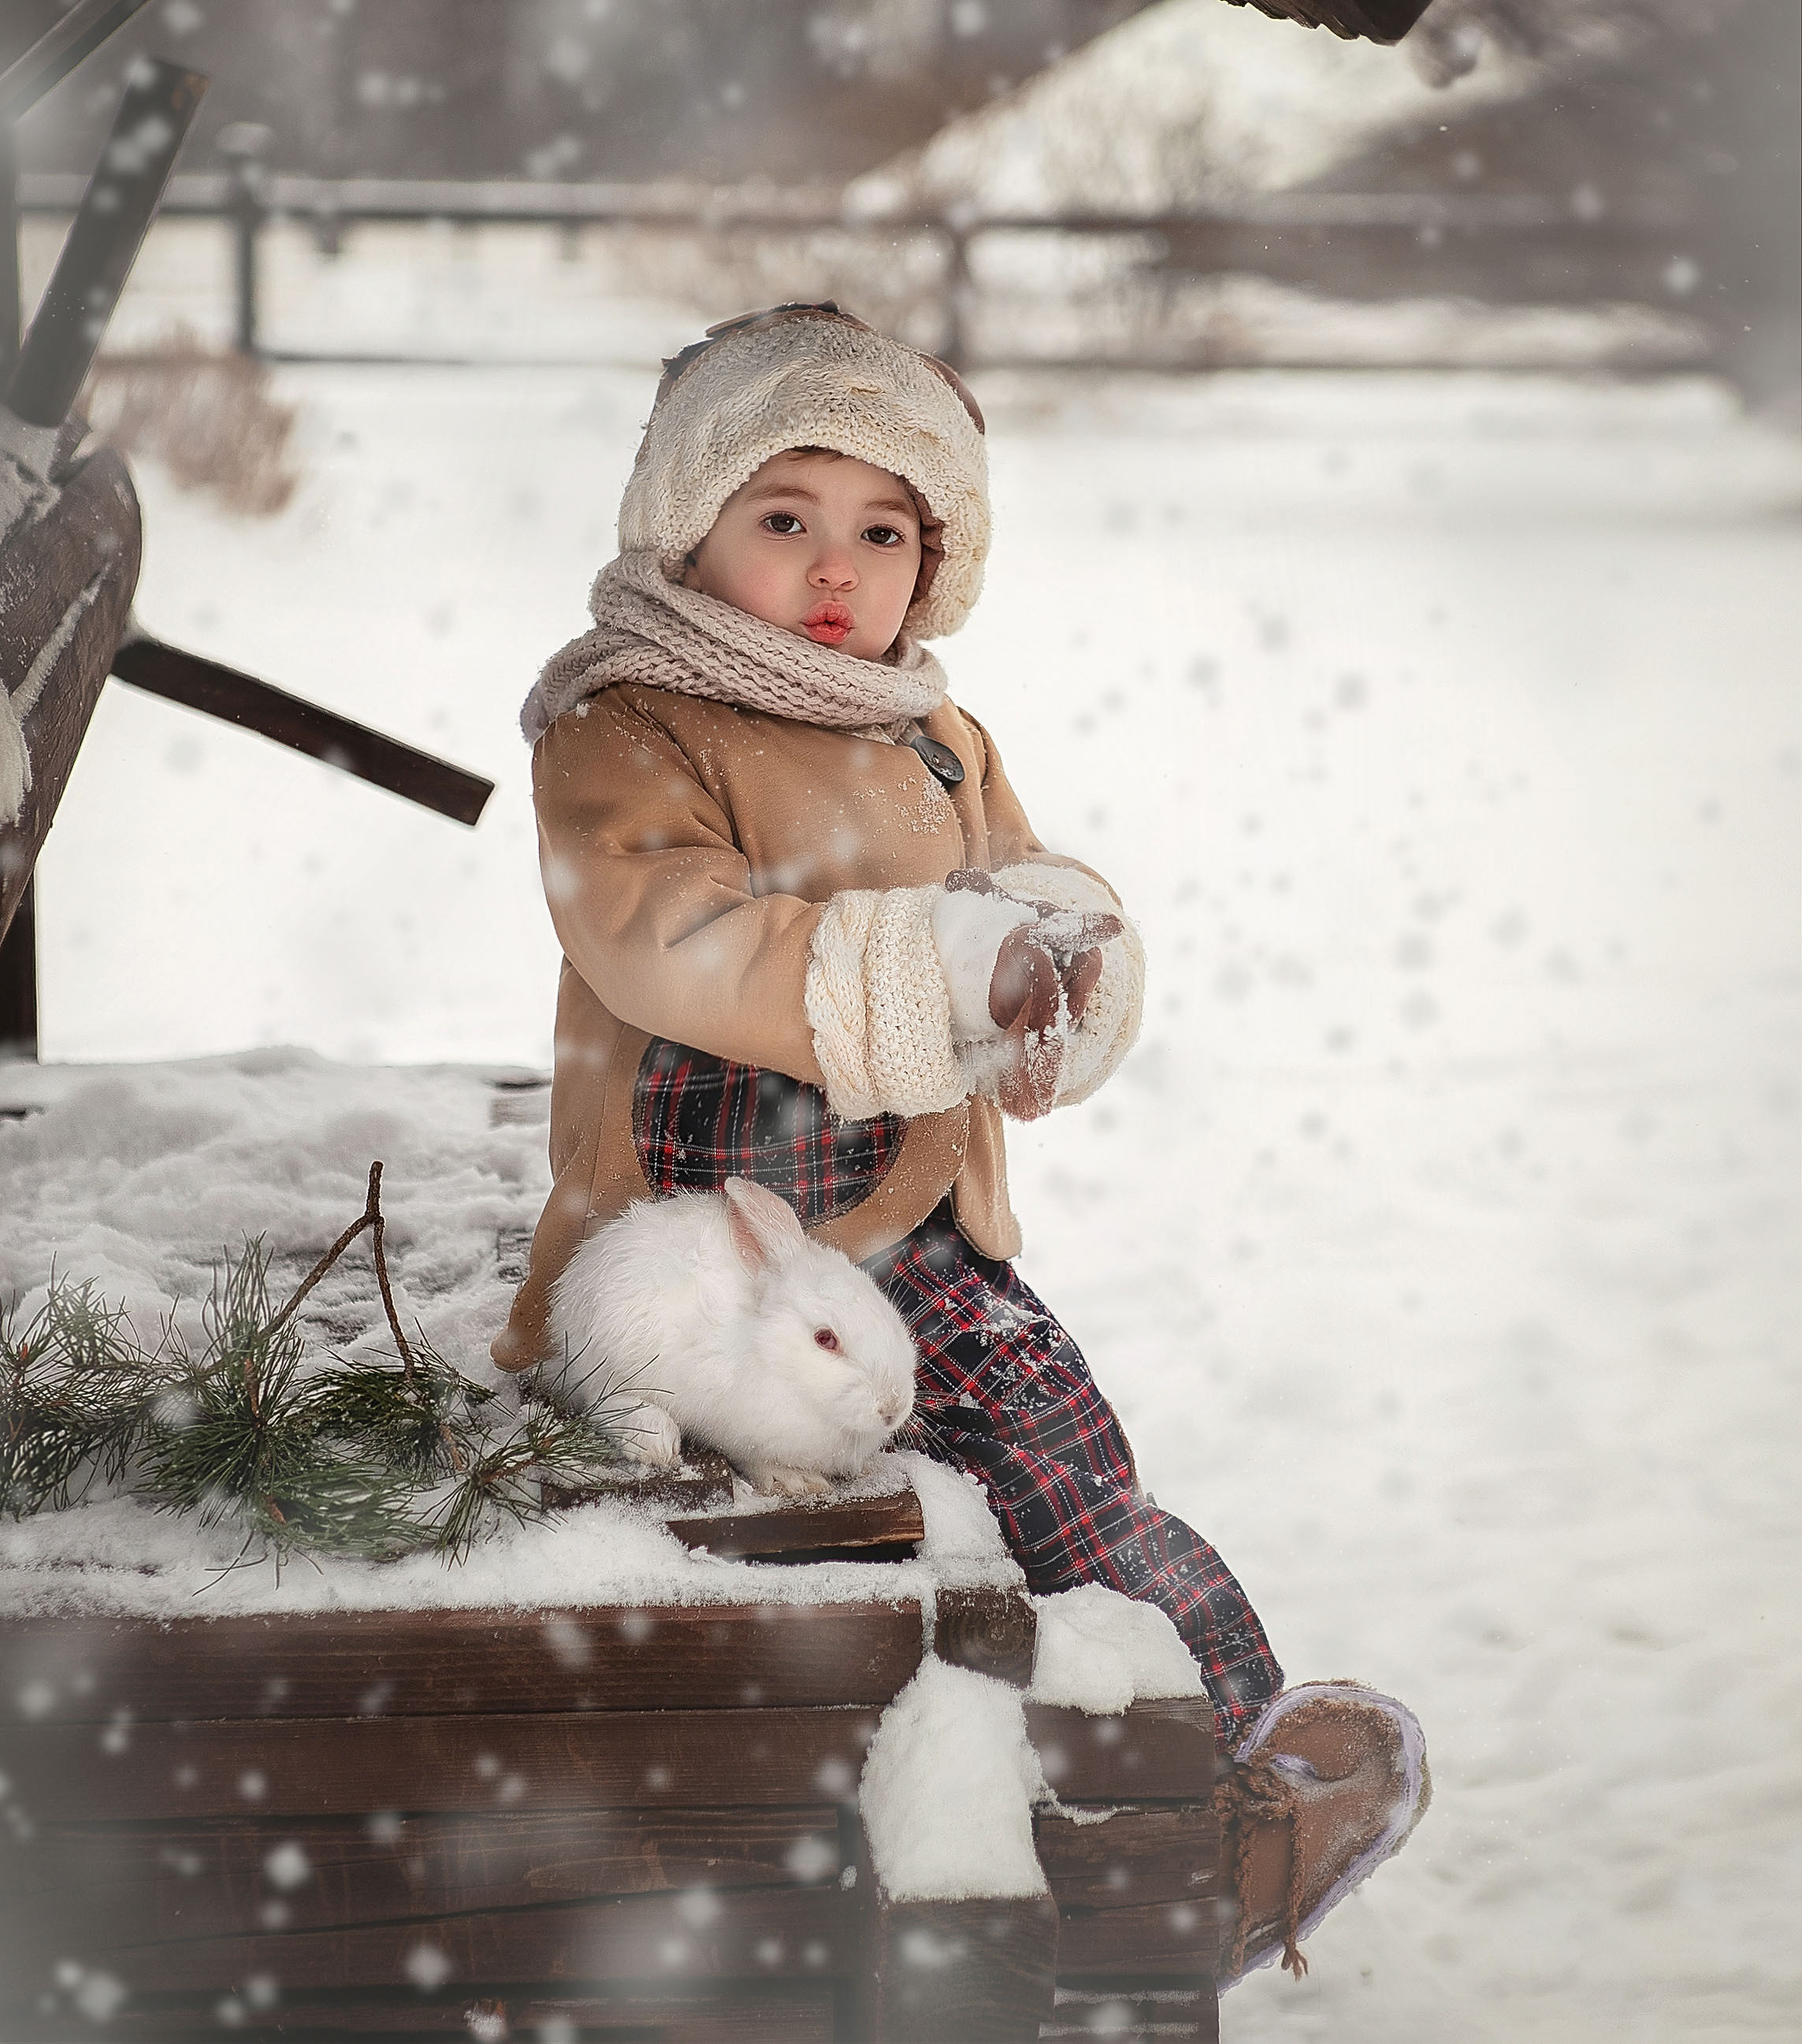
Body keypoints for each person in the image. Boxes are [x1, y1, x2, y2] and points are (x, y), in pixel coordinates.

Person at [492, 303, 1428, 1983]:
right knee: (1048, 1473)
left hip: (913, 1217)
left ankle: (1168, 1805)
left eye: (884, 530)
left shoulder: (933, 729)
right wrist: (933, 971)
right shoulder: (627, 725)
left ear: (935, 563)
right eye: (785, 519)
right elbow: (675, 945)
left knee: (1059, 1468)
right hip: (723, 1248)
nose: (835, 569)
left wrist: (1067, 963)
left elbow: (1034, 881)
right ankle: (1202, 1814)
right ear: (688, 527)